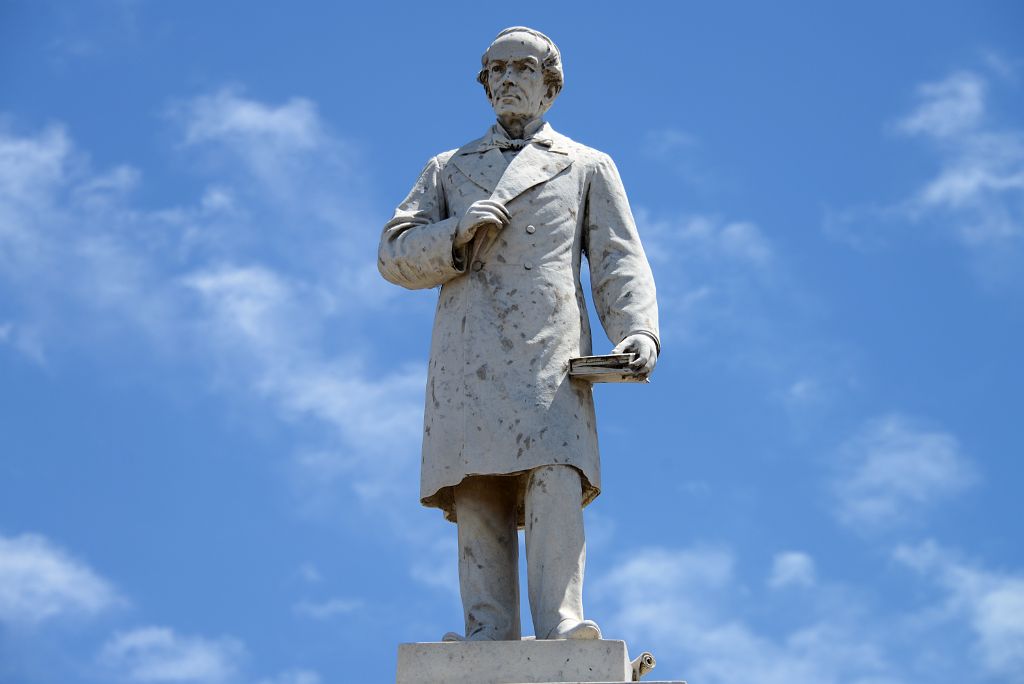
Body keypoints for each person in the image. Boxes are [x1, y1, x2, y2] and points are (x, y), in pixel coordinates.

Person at [378, 26, 659, 642]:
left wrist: (638, 331)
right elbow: (393, 255)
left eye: (522, 69)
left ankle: (562, 626)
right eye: (495, 69)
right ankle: (486, 631)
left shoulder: (586, 164)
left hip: (550, 349)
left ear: (550, 85)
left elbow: (617, 258)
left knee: (554, 475)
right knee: (477, 486)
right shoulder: (448, 168)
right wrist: (454, 230)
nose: (506, 79)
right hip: (469, 349)